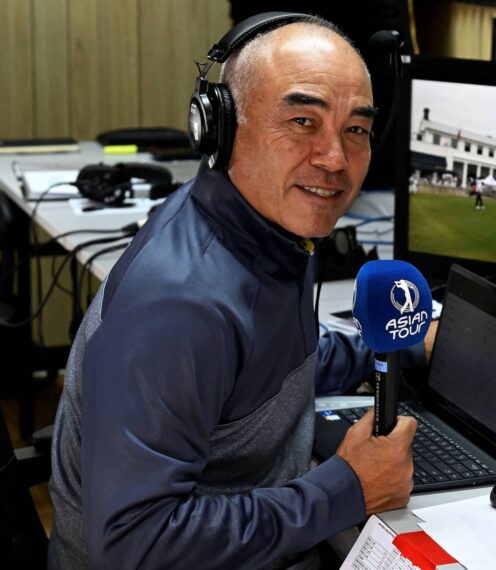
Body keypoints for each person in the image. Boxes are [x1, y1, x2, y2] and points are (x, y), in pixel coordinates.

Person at [48, 16, 430, 569]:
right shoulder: (180, 307)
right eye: (303, 121)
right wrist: (346, 489)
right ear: (222, 129)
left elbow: (264, 372)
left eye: (355, 130)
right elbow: (134, 544)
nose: (335, 160)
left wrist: (403, 347)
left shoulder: (274, 227)